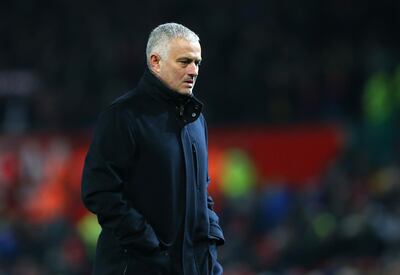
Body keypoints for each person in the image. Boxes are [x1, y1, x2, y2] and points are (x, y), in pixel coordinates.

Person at [81, 22, 225, 275]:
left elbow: (202, 193)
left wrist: (209, 247)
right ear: (155, 61)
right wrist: (150, 246)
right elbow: (100, 192)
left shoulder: (195, 120)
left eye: (197, 62)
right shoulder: (123, 116)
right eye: (184, 62)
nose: (193, 71)